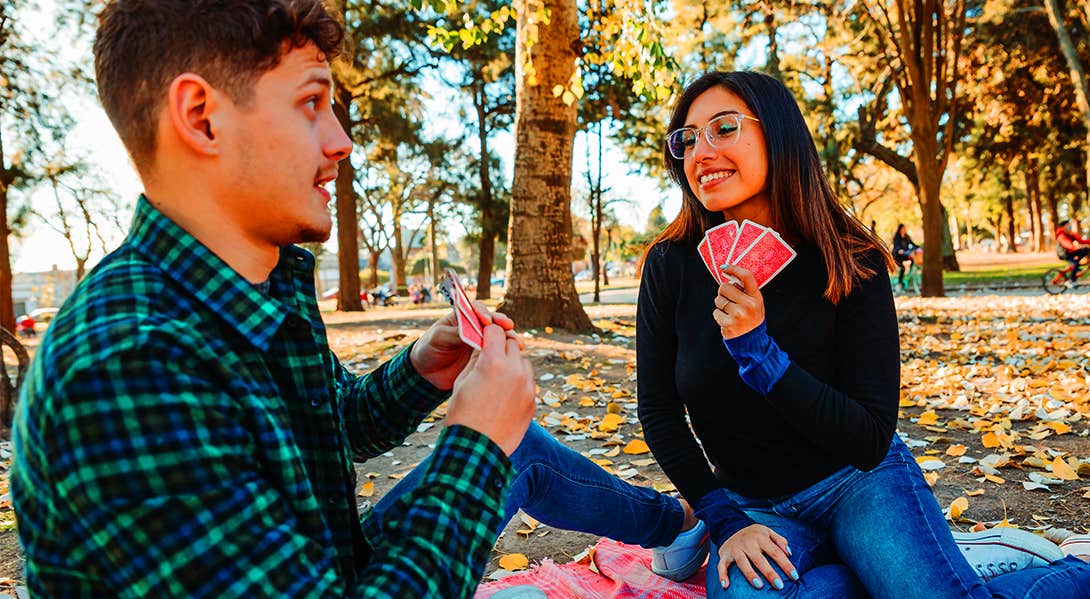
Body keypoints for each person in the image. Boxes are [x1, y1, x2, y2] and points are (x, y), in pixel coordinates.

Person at [11, 2, 696, 596]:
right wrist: (474, 443)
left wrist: (425, 367)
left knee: (519, 449)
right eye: (312, 103)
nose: (341, 141)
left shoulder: (265, 278)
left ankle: (685, 526)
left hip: (324, 563)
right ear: (202, 116)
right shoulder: (130, 362)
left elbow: (330, 425)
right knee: (494, 454)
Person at [636, 70, 1090, 598]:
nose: (701, 152)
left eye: (724, 128)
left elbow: (869, 437)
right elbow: (659, 411)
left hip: (858, 483)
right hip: (755, 505)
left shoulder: (849, 260)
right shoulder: (671, 265)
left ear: (778, 133)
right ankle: (914, 568)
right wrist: (727, 521)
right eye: (685, 139)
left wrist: (759, 353)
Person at [1055, 219, 1090, 287]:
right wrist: (1077, 248)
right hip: (1064, 254)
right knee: (1075, 264)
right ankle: (1070, 281)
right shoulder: (1061, 235)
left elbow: (1081, 240)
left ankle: (1076, 265)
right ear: (1063, 227)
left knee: (1086, 249)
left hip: (1070, 252)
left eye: (1070, 225)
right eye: (1067, 225)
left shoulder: (1070, 234)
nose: (1069, 226)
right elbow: (1067, 245)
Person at [891, 224, 920, 289]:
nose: (904, 230)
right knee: (902, 268)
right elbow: (896, 246)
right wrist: (899, 250)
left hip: (905, 255)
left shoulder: (906, 237)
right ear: (900, 229)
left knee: (912, 259)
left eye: (904, 228)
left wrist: (918, 248)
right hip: (897, 256)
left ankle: (910, 272)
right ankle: (900, 281)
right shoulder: (897, 237)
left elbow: (913, 244)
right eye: (902, 228)